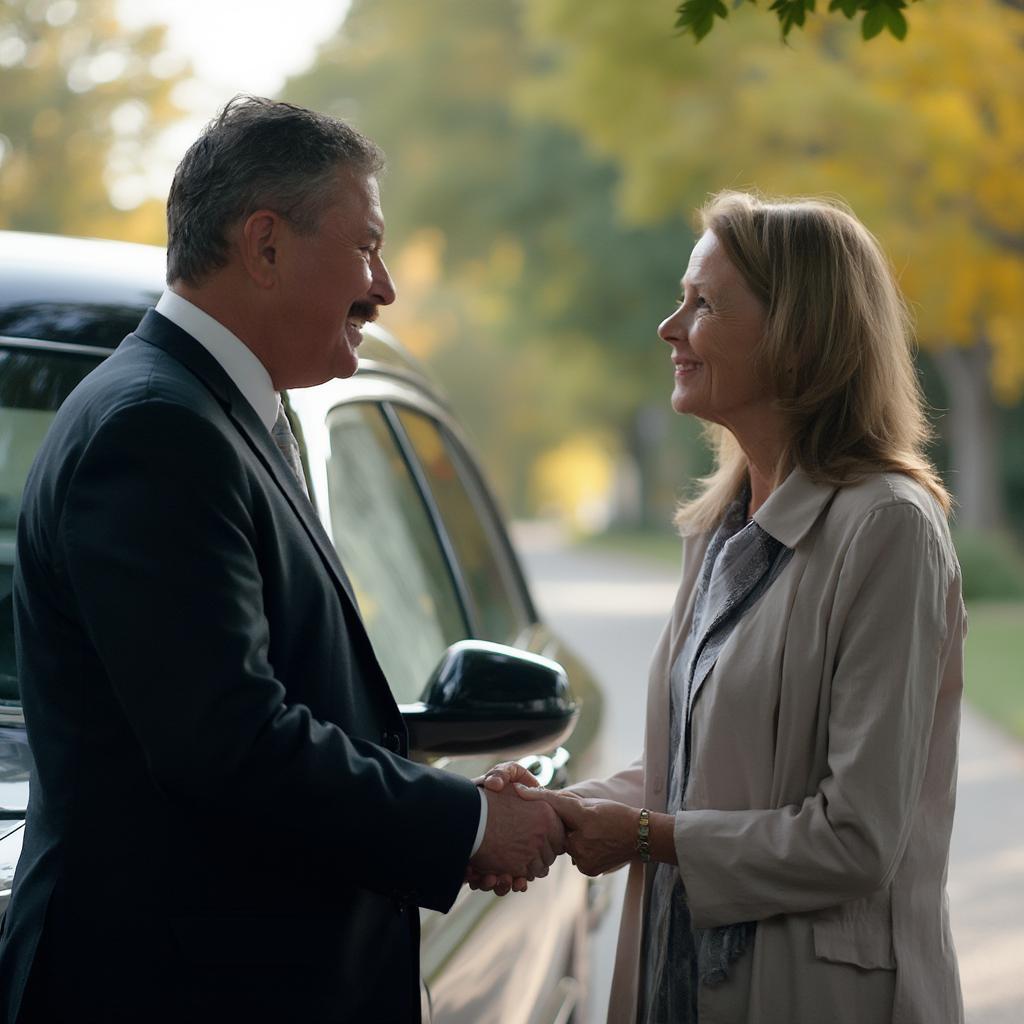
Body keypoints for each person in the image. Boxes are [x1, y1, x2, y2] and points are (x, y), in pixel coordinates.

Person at [0, 96, 563, 1024]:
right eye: (366, 247)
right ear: (264, 246)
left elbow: (290, 696)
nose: (383, 286)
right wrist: (462, 823)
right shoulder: (157, 432)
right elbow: (229, 743)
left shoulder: (222, 412)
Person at [485, 191, 966, 1023]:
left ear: (798, 337)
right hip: (682, 981)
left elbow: (857, 839)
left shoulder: (887, 529)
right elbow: (697, 772)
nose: (671, 328)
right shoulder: (721, 524)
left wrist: (643, 840)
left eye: (704, 305)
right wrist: (561, 810)